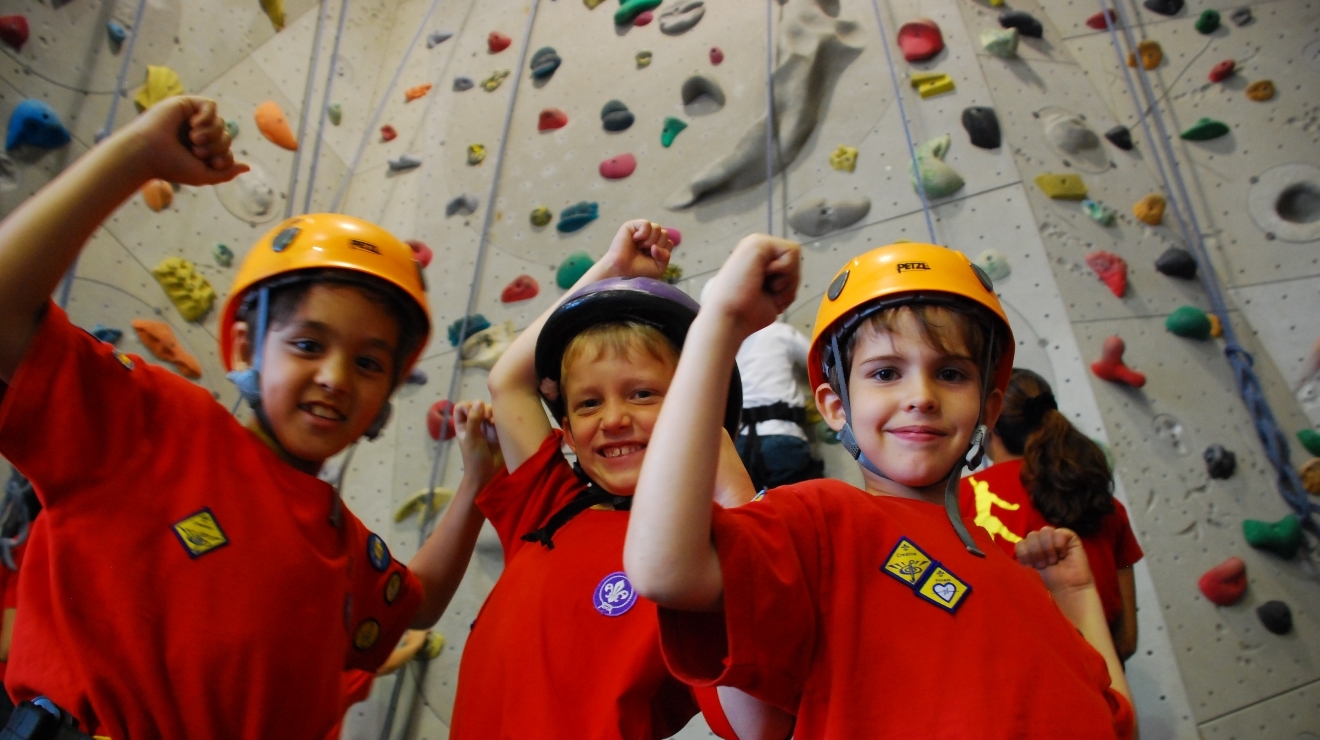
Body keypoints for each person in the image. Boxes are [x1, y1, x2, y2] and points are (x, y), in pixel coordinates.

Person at [0, 96, 485, 739]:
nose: (336, 378)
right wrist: (137, 155)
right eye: (308, 345)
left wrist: (479, 481)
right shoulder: (152, 422)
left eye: (370, 365)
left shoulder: (342, 544)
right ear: (246, 348)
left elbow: (414, 603)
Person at [625, 239, 1136, 738]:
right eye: (887, 372)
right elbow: (664, 569)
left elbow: (1115, 721)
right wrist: (721, 324)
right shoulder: (826, 520)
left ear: (990, 407)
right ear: (835, 406)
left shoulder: (1022, 584)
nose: (921, 396)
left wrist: (1077, 594)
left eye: (952, 373)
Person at [451, 220, 793, 740]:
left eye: (641, 395)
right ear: (566, 428)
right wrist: (612, 273)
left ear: (697, 410)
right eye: (589, 403)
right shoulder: (547, 507)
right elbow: (508, 381)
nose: (612, 419)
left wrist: (733, 496)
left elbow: (759, 727)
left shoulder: (699, 559)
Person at [959, 368, 1143, 661]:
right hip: (1107, 688)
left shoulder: (960, 501)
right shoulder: (1102, 500)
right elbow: (1126, 640)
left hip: (1024, 685)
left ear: (986, 423)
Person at [702, 279, 820, 491]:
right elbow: (817, 362)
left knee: (754, 513)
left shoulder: (720, 345)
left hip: (740, 442)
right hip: (783, 435)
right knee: (798, 509)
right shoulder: (779, 332)